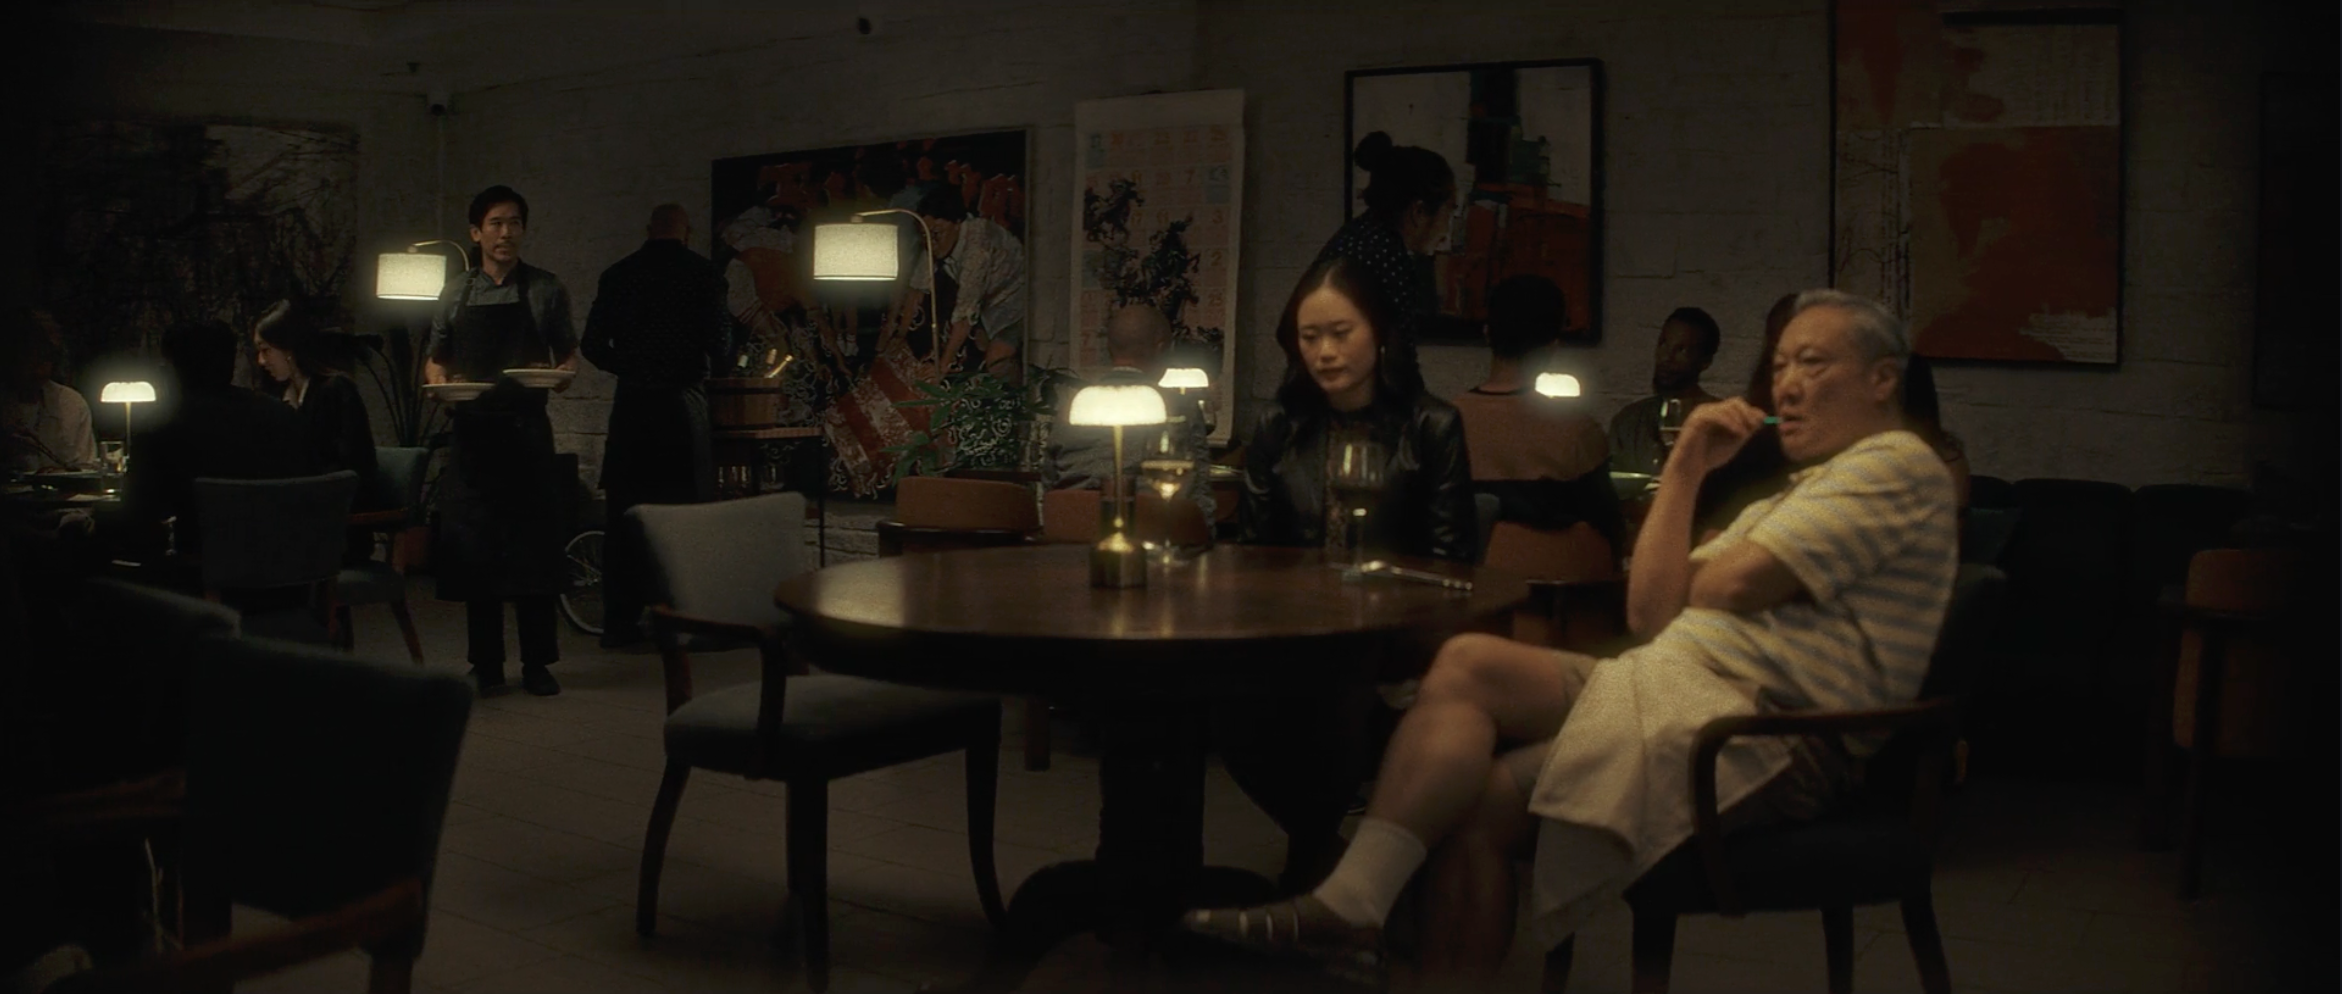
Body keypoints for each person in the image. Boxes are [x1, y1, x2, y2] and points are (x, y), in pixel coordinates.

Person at [1186, 290, 1960, 989]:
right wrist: (1688, 465)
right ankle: (1353, 903)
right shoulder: (1799, 490)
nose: (1785, 385)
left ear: (1881, 380)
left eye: (1812, 363)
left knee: (1477, 802)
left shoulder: (1894, 464)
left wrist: (1717, 567)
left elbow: (1724, 587)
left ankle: (1358, 913)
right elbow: (1652, 608)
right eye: (1781, 364)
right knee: (1468, 662)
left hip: (1760, 732)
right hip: (1676, 687)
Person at [1225, 255, 1475, 892]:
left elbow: (1451, 561)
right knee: (1207, 702)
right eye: (1310, 337)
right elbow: (1253, 555)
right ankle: (1326, 857)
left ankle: (1314, 868)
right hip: (1294, 632)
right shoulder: (1280, 426)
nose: (1325, 352)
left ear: (1381, 333)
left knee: (1341, 693)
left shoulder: (1432, 425)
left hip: (1395, 634)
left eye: (1341, 333)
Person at [425, 185, 580, 698]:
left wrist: (559, 377)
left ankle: (538, 664)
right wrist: (442, 388)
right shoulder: (454, 293)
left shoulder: (545, 289)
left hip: (526, 433)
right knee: (478, 556)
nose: (505, 233)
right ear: (476, 233)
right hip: (473, 437)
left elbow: (568, 358)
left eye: (514, 223)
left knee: (533, 552)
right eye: (495, 223)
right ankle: (486, 665)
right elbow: (436, 360)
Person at [581, 203, 730, 647]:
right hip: (681, 407)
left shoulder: (618, 274)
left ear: (649, 229)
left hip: (632, 407)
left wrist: (630, 366)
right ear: (688, 232)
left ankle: (620, 624)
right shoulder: (704, 275)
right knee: (687, 519)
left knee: (626, 520)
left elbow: (592, 345)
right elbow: (721, 345)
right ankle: (687, 621)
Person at [1448, 274, 1623, 559]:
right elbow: (1610, 538)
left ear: (1487, 333)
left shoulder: (1445, 423)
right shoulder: (1578, 431)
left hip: (1463, 584)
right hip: (1558, 586)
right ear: (1552, 346)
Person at [126, 321, 316, 561]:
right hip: (288, 565)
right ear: (230, 363)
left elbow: (138, 512)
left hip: (200, 571)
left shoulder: (160, 425)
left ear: (174, 367)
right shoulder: (281, 415)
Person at [1313, 132, 1455, 396]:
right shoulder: (1388, 259)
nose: (1448, 227)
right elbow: (1399, 364)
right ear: (1418, 211)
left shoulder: (1357, 237)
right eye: (1449, 210)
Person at [1045, 303, 1211, 520]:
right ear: (1161, 348)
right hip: (1152, 529)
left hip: (1070, 529)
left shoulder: (1073, 406)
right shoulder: (1179, 407)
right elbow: (1198, 492)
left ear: (1109, 348)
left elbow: (1049, 481)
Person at [893, 183, 1025, 381]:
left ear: (957, 223)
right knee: (974, 345)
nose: (931, 243)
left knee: (996, 360)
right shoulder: (933, 238)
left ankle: (1021, 397)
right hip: (986, 304)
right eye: (924, 235)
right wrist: (899, 336)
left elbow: (964, 315)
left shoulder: (977, 250)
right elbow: (917, 289)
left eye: (936, 234)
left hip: (1017, 301)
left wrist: (942, 367)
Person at [251, 300, 377, 493]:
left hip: (336, 498)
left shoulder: (336, 390)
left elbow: (356, 464)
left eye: (266, 350)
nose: (261, 361)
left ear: (289, 348)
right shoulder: (276, 396)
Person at [1609, 306, 1723, 475]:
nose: (1666, 357)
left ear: (1705, 361)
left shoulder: (1721, 424)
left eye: (1681, 350)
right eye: (1663, 344)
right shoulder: (1628, 422)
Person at [2, 311, 100, 475]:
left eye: (44, 360)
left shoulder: (70, 403)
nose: (39, 371)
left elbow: (85, 468)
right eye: (29, 360)